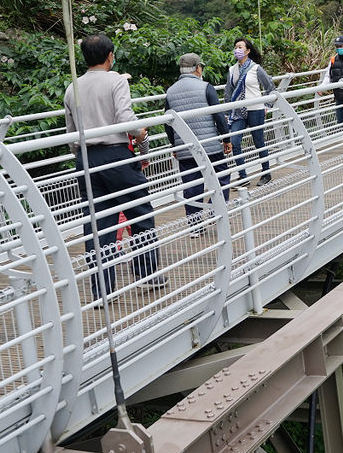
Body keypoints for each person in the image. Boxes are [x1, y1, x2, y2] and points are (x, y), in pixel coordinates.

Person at [64, 34, 165, 301]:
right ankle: (147, 274)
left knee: (98, 224)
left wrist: (82, 155)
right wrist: (140, 133)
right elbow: (124, 116)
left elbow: (71, 132)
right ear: (110, 55)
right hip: (116, 155)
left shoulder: (72, 87)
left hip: (86, 159)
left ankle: (102, 291)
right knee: (140, 212)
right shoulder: (116, 80)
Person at [165, 52, 233, 219]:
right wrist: (226, 139)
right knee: (221, 177)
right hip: (209, 146)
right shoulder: (206, 87)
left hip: (185, 148)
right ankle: (213, 211)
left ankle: (195, 225)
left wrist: (174, 145)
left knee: (191, 187)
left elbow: (168, 123)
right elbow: (218, 115)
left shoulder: (170, 92)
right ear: (197, 69)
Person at [225, 38, 276, 186]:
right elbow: (228, 93)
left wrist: (266, 104)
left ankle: (266, 174)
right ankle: (243, 177)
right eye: (235, 47)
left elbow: (269, 86)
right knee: (234, 142)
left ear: (247, 51)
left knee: (258, 141)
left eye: (240, 47)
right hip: (238, 112)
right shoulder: (231, 70)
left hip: (255, 109)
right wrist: (227, 113)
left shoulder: (255, 68)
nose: (237, 50)